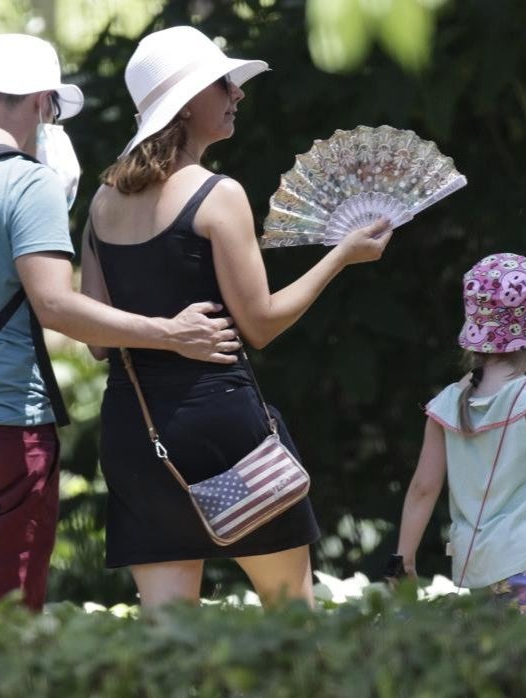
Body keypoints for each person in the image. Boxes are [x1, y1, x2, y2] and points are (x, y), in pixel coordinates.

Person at [0, 34, 242, 612]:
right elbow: (57, 306)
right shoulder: (27, 180)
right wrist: (170, 333)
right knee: (0, 632)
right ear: (44, 102)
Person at [80, 26, 394, 610]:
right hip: (222, 426)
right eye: (223, 82)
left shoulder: (102, 204)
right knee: (291, 620)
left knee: (170, 641)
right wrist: (341, 256)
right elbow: (261, 324)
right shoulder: (218, 193)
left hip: (136, 430)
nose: (237, 94)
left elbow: (98, 342)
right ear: (188, 101)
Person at [390, 252, 526, 613]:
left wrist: (404, 559)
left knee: (497, 661)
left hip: (474, 566)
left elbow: (423, 489)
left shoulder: (445, 404)